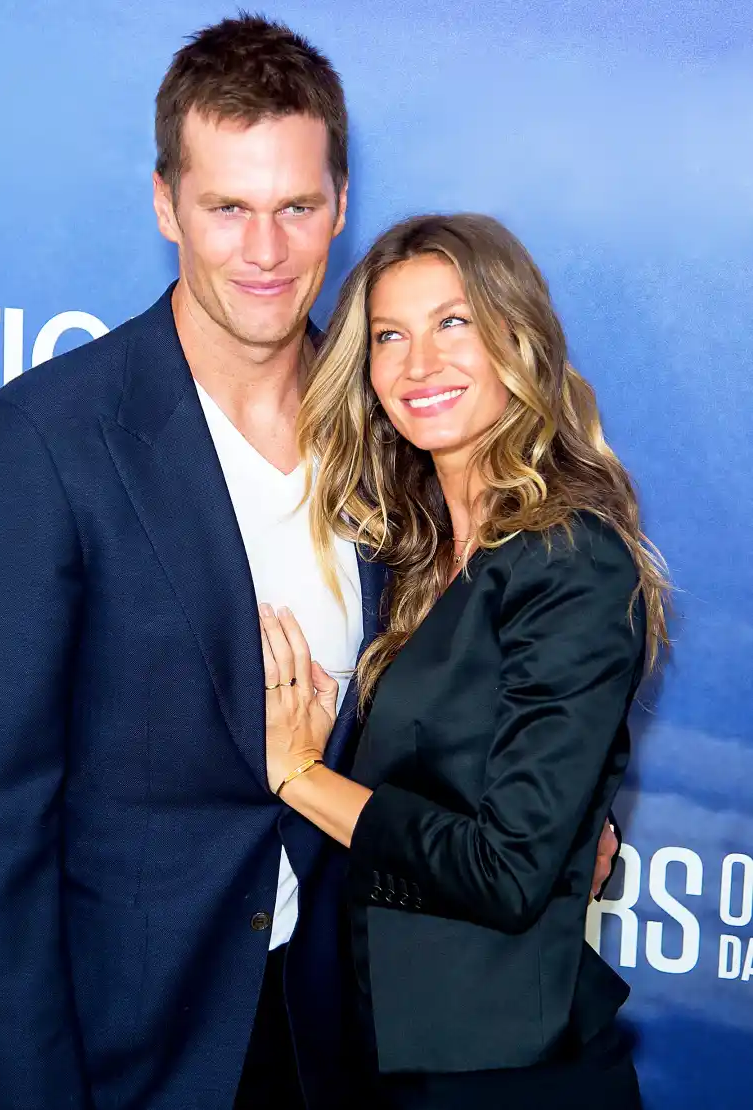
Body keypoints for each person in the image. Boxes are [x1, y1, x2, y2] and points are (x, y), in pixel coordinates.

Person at [0, 14, 619, 1110]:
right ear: (166, 206)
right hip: (128, 1051)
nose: (265, 251)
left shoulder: (395, 420)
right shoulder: (44, 444)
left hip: (342, 1037)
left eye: (296, 207)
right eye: (228, 208)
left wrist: (578, 797)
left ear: (341, 204)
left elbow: (520, 631)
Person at [258, 213, 669, 1109]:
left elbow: (507, 870)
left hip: (501, 1074)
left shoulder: (570, 560)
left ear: (515, 336)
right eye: (389, 337)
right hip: (382, 1049)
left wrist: (297, 774)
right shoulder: (414, 553)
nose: (417, 366)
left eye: (454, 324)